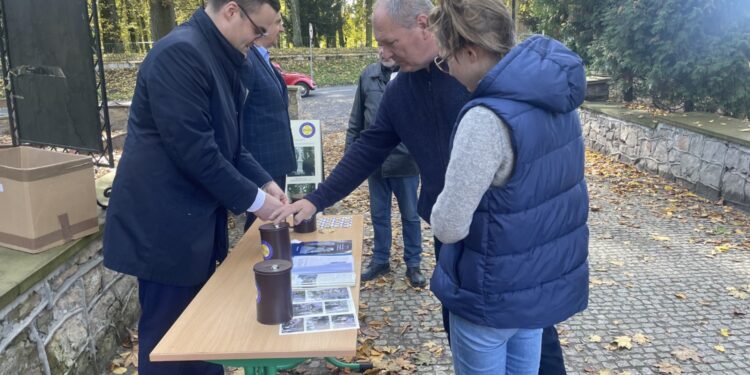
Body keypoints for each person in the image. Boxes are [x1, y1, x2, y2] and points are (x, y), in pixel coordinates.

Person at [272, 1, 572, 374]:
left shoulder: (478, 74)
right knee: (464, 333)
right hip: (452, 235)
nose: (383, 53)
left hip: (511, 241)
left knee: (539, 349)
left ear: (423, 24)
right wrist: (317, 200)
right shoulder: (402, 91)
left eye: (389, 42)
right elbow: (370, 146)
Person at [102, 1, 284, 374]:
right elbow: (196, 151)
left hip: (194, 228)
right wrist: (258, 202)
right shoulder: (181, 54)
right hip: (164, 231)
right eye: (258, 30)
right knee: (171, 345)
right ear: (232, 11)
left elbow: (230, 146)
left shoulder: (223, 55)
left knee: (205, 340)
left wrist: (264, 181)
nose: (262, 39)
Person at [427, 0, 590, 374]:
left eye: (445, 59)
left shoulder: (485, 119)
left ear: (469, 52)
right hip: (533, 298)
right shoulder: (557, 104)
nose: (447, 70)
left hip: (488, 298)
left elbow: (449, 226)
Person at [346, 47, 423, 285]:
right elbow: (356, 119)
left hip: (406, 163)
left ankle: (414, 264)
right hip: (375, 163)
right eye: (380, 46)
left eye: (389, 47)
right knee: (379, 215)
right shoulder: (368, 75)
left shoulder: (413, 76)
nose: (383, 51)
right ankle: (381, 260)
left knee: (410, 216)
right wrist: (350, 157)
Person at [241, 10, 296, 231]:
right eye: (278, 23)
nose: (282, 28)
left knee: (273, 223)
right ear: (261, 26)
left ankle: (273, 259)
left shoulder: (262, 58)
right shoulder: (248, 60)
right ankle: (259, 263)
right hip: (260, 163)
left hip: (274, 162)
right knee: (259, 226)